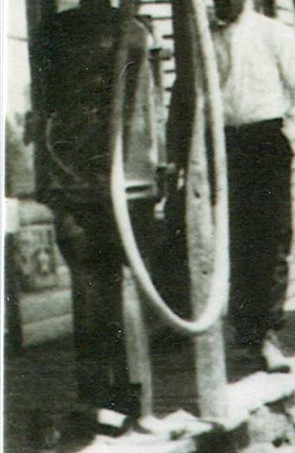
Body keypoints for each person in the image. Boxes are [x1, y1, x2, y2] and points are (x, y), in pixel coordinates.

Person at [31, 0, 162, 429]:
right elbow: (43, 104)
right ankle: (106, 399)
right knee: (101, 288)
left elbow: (147, 104)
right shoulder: (66, 32)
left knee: (111, 288)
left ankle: (126, 402)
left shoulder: (130, 32)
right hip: (96, 180)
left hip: (116, 179)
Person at [212, 0, 295, 372]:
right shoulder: (205, 37)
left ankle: (267, 335)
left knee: (271, 238)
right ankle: (244, 337)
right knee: (234, 239)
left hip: (265, 139)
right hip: (222, 142)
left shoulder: (272, 33)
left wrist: (288, 133)